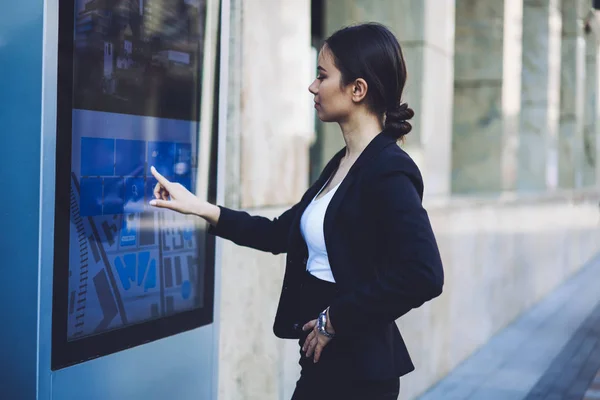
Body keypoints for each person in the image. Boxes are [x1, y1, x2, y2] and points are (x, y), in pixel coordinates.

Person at [149, 22, 444, 400]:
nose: (312, 86)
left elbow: (424, 274)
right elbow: (277, 233)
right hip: (326, 361)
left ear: (357, 89)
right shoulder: (342, 163)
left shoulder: (388, 170)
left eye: (322, 76)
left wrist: (335, 319)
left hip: (359, 374)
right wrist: (200, 208)